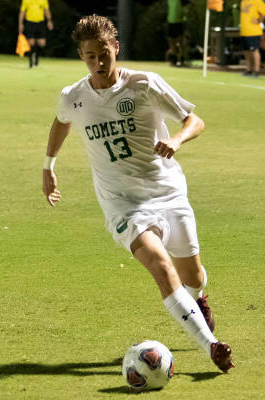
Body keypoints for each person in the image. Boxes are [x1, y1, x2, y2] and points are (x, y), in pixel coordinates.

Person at [42, 15, 235, 373]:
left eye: (104, 54)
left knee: (192, 276)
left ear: (116, 48)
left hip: (168, 192)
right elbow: (61, 121)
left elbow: (194, 121)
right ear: (81, 56)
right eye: (90, 56)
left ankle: (197, 298)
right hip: (123, 205)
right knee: (161, 266)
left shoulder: (144, 84)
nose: (98, 63)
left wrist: (176, 140)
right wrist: (48, 165)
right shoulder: (74, 97)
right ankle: (211, 345)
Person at [240, 0, 265, 77]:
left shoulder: (257, 1)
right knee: (246, 51)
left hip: (253, 31)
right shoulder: (243, 1)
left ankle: (256, 70)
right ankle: (249, 69)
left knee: (254, 50)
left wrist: (259, 20)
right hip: (244, 31)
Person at [18, 0, 53, 68]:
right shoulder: (26, 0)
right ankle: (31, 61)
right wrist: (20, 24)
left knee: (42, 43)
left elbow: (46, 11)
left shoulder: (44, 0)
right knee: (31, 43)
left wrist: (49, 21)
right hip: (30, 23)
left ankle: (36, 55)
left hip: (40, 23)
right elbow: (22, 12)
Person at [166, 0, 189, 66]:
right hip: (171, 22)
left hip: (180, 22)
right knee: (171, 41)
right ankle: (174, 59)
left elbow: (187, 8)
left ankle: (182, 58)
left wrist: (183, 15)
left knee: (181, 41)